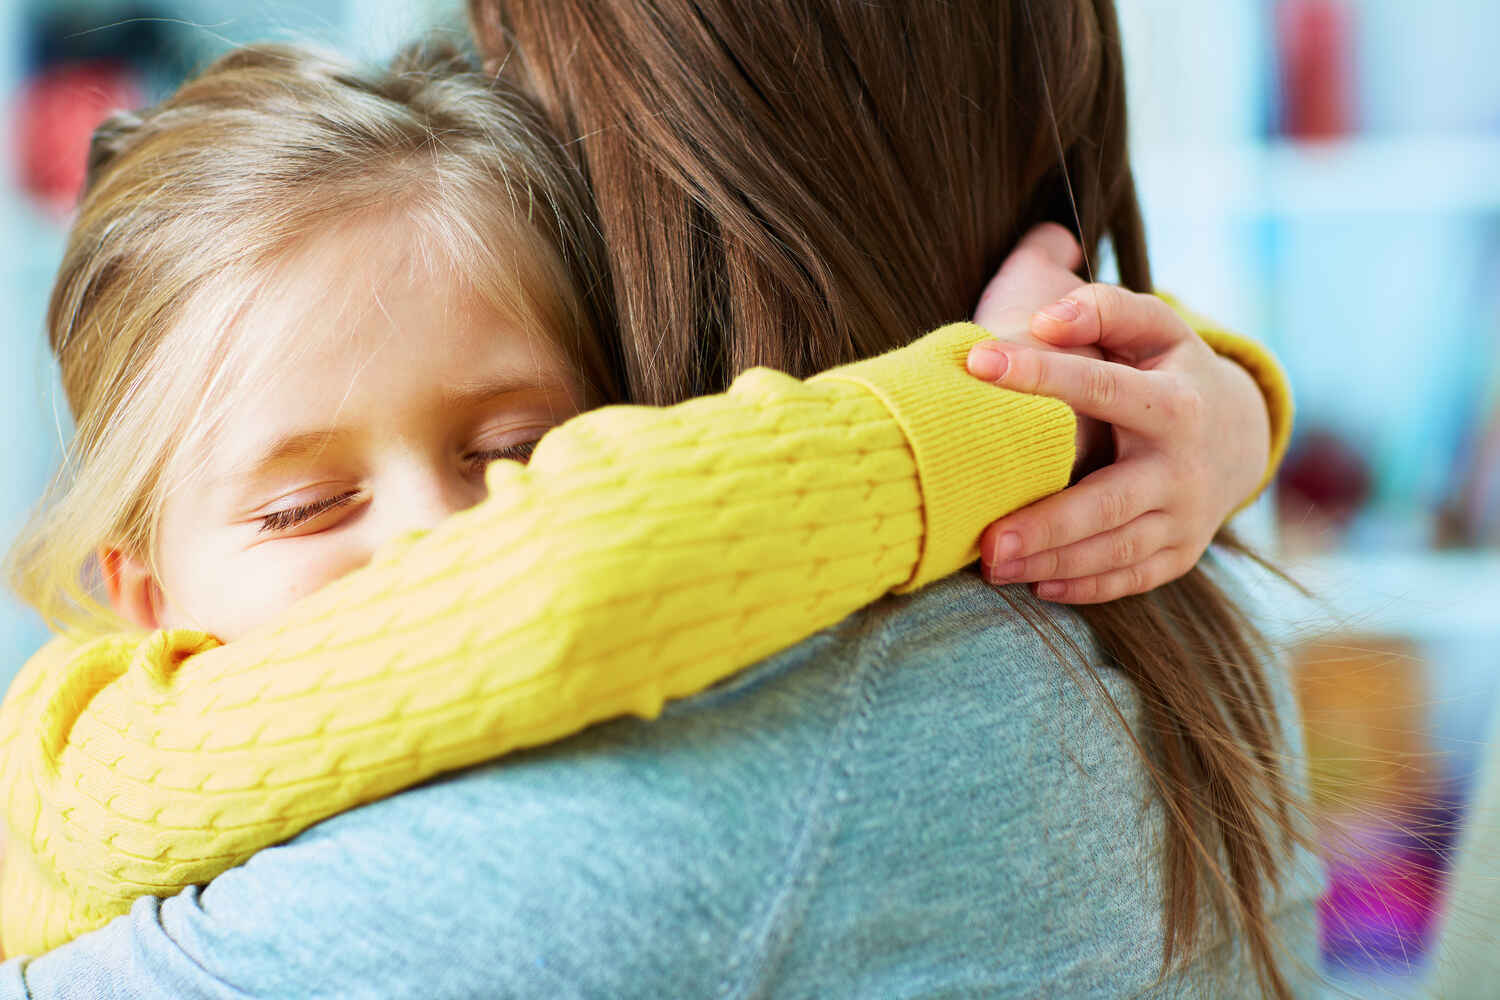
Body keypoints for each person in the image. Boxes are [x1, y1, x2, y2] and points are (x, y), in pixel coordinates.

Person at [0, 7, 1310, 999]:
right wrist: (1054, 403)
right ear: (143, 594)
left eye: (519, 449)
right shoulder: (1173, 579)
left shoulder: (740, 769)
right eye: (302, 507)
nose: (438, 547)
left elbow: (596, 565)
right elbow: (576, 571)